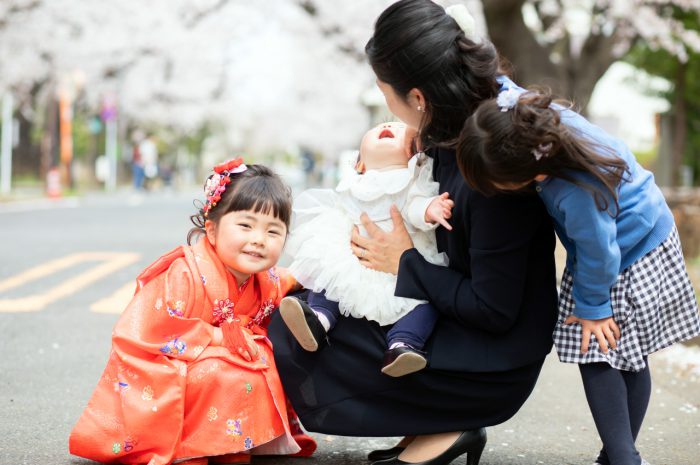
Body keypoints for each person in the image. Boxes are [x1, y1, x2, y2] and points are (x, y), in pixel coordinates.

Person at [267, 2, 559, 465]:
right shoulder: (441, 136)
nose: (387, 107)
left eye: (386, 93)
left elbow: (494, 310)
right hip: (451, 317)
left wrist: (403, 261)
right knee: (299, 318)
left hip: (490, 359)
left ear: (419, 98)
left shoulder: (489, 165)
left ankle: (453, 419)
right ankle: (433, 423)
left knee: (289, 338)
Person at [457, 87, 700, 465]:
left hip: (629, 252)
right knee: (625, 352)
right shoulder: (528, 117)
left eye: (497, 186)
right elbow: (506, 87)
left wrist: (594, 307)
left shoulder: (575, 191)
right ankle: (619, 455)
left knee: (600, 350)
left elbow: (600, 252)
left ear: (534, 173)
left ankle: (622, 457)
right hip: (639, 229)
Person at [69, 158, 316, 465]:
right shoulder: (184, 274)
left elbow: (296, 278)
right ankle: (188, 447)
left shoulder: (267, 281)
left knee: (262, 359)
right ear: (211, 231)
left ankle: (231, 444)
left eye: (273, 231)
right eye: (245, 225)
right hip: (175, 370)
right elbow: (149, 331)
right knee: (219, 366)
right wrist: (215, 335)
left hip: (221, 374)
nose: (258, 240)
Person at [279, 121, 453, 377]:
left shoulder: (413, 178)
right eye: (380, 127)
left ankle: (403, 345)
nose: (388, 126)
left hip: (400, 271)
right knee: (329, 274)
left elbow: (415, 205)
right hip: (355, 262)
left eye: (396, 127)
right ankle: (318, 319)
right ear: (359, 164)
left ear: (412, 153)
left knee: (426, 304)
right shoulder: (353, 183)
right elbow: (342, 212)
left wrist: (429, 210)